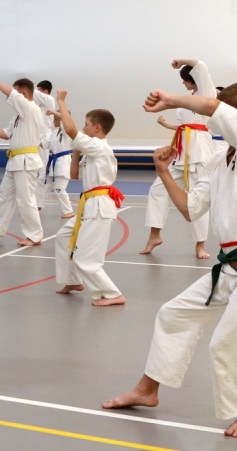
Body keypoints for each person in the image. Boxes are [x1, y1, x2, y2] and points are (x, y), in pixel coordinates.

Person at [103, 87, 237, 438]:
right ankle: (147, 390)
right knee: (173, 314)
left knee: (224, 343)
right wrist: (163, 171)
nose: (210, 120)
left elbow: (212, 105)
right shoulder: (220, 159)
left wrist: (174, 100)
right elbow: (191, 208)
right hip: (230, 268)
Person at [52, 90, 125, 306]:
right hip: (89, 205)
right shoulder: (92, 150)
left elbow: (71, 129)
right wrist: (76, 151)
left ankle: (112, 294)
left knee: (87, 258)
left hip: (99, 206)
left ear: (97, 128)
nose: (83, 128)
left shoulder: (100, 147)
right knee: (64, 237)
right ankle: (72, 281)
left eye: (86, 124)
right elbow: (74, 174)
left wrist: (61, 101)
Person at [142, 59, 216, 259]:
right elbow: (186, 126)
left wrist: (182, 61)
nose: (183, 83)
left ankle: (200, 245)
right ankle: (154, 235)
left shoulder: (207, 94)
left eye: (185, 80)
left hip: (200, 152)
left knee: (197, 198)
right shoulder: (187, 101)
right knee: (158, 189)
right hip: (181, 151)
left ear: (193, 79)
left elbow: (202, 67)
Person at [0, 78, 44, 246]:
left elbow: (11, 93)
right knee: (4, 196)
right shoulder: (19, 116)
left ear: (23, 94)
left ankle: (35, 235)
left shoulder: (30, 109)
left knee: (26, 199)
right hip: (15, 162)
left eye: (17, 93)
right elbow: (5, 134)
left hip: (26, 162)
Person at [35, 109, 74, 218]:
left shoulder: (67, 131)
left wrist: (53, 111)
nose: (53, 121)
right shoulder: (53, 133)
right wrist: (31, 139)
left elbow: (66, 119)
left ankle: (68, 211)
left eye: (55, 118)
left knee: (59, 188)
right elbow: (43, 144)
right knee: (42, 181)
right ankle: (37, 205)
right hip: (53, 162)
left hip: (63, 161)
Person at [33, 80, 57, 172]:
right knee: (35, 161)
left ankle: (41, 179)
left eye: (39, 90)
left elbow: (33, 92)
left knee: (42, 162)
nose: (38, 93)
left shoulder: (49, 99)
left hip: (44, 133)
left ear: (45, 91)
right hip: (38, 132)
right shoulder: (40, 104)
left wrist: (24, 86)